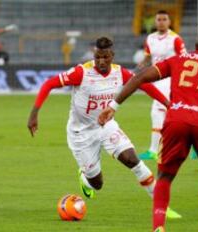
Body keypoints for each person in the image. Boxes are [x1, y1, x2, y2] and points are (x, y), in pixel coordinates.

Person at [99, 20, 198, 232]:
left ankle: (159, 227)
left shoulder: (179, 59)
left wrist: (113, 105)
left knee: (165, 176)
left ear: (196, 46)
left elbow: (140, 77)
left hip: (177, 121)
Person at [28, 37, 181, 219]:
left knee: (133, 160)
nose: (101, 61)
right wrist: (34, 113)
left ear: (112, 56)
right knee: (97, 183)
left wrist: (167, 103)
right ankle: (85, 178)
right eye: (98, 57)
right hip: (81, 134)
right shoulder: (81, 73)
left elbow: (143, 84)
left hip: (106, 126)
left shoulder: (119, 73)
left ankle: (162, 207)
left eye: (105, 57)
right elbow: (49, 84)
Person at [138, 10, 187, 160]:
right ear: (155, 22)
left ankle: (154, 150)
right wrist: (142, 65)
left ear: (169, 22)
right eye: (158, 19)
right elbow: (148, 57)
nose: (161, 22)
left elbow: (184, 59)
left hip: (169, 79)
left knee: (158, 112)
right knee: (174, 113)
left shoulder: (175, 39)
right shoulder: (150, 38)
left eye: (164, 19)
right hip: (156, 79)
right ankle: (191, 146)